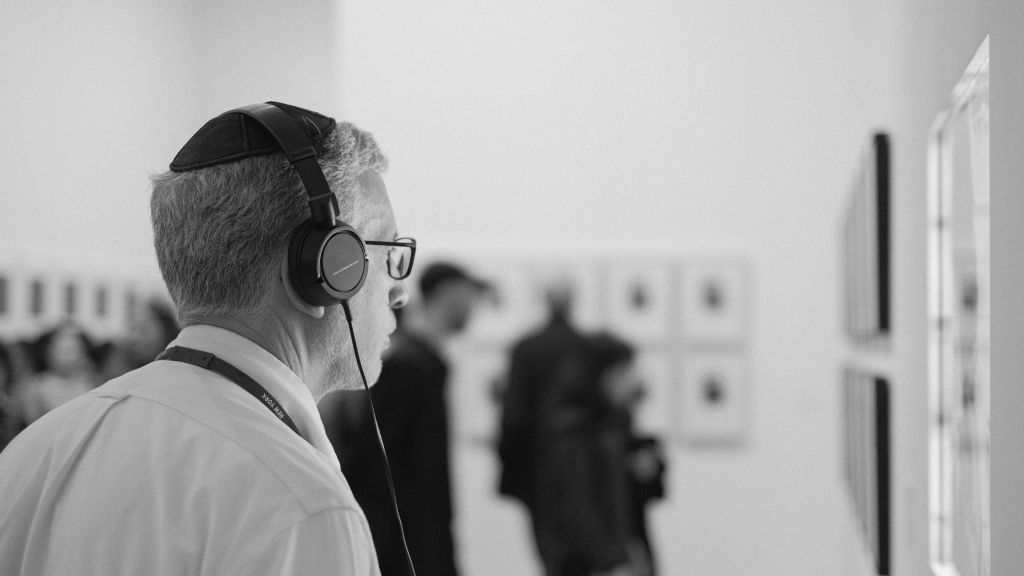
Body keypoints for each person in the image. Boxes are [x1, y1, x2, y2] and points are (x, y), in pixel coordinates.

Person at [0, 102, 411, 576]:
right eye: (389, 250)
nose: (400, 290)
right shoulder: (301, 505)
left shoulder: (37, 450)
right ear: (324, 269)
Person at [329, 261, 488, 576]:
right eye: (469, 296)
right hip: (408, 546)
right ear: (446, 294)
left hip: (421, 540)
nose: (474, 307)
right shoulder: (410, 367)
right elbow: (377, 462)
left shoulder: (424, 361)